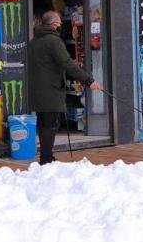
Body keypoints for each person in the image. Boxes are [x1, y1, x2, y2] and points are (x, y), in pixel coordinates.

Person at [28, 10, 100, 164]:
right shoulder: (53, 41)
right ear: (54, 24)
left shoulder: (34, 41)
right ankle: (46, 159)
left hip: (37, 89)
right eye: (59, 22)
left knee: (43, 124)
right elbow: (67, 63)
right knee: (51, 124)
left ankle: (46, 156)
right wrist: (88, 80)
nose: (61, 24)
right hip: (50, 90)